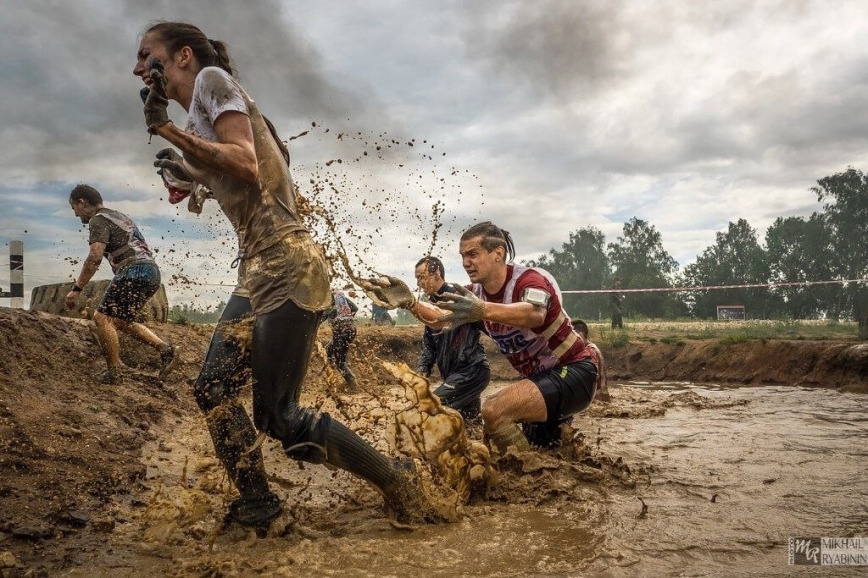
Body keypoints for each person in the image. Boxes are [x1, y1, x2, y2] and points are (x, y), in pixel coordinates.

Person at [134, 22, 426, 528]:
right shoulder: (205, 114)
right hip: (258, 272)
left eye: (146, 55)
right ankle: (258, 504)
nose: (138, 68)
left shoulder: (211, 81)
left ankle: (396, 477)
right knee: (212, 389)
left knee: (280, 417)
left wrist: (165, 129)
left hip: (287, 266)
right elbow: (234, 176)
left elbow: (246, 164)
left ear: (182, 56)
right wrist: (186, 175)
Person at [362, 222, 598, 451]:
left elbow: (535, 314)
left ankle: (523, 474)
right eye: (463, 256)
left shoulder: (529, 279)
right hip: (541, 381)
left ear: (498, 253)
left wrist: (481, 310)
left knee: (494, 410)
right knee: (540, 449)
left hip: (575, 371)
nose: (466, 263)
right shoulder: (473, 294)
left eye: (473, 254)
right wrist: (410, 303)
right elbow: (439, 317)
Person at [66, 184, 177, 384]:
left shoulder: (98, 220)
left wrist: (77, 289)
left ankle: (114, 374)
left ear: (82, 202)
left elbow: (94, 257)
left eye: (74, 207)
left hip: (133, 270)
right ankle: (165, 349)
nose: (75, 214)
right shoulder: (119, 216)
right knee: (119, 321)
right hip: (151, 272)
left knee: (102, 318)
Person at [414, 256, 490, 421]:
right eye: (417, 279)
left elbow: (489, 326)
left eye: (422, 277)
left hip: (471, 370)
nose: (419, 283)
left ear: (437, 274)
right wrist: (423, 370)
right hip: (454, 376)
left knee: (428, 409)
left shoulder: (459, 298)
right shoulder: (430, 307)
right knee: (468, 425)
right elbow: (429, 345)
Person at [324, 285, 359, 388]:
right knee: (328, 349)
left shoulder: (328, 302)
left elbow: (321, 318)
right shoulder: (342, 298)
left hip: (340, 331)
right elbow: (355, 308)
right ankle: (331, 376)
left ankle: (353, 385)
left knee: (340, 363)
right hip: (351, 329)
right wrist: (348, 319)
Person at [571, 319, 609, 402]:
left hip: (594, 398)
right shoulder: (589, 348)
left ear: (580, 335)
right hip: (599, 397)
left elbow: (591, 376)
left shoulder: (589, 351)